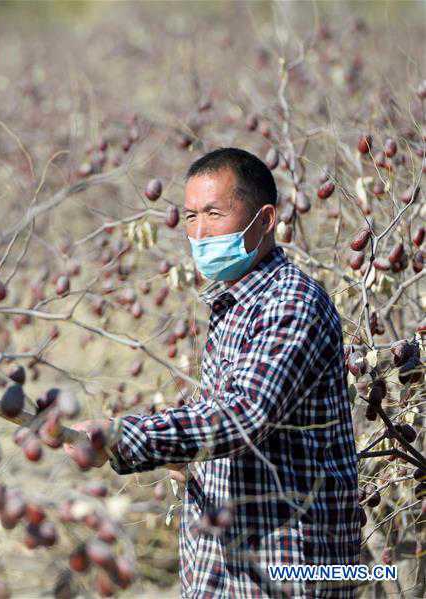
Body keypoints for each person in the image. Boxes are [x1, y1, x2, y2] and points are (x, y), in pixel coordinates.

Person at [64, 147, 361, 598]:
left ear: (264, 221)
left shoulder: (291, 303)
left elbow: (245, 415)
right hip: (223, 571)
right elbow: (221, 418)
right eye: (190, 217)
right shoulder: (231, 304)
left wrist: (123, 435)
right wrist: (184, 457)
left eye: (214, 214)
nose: (200, 234)